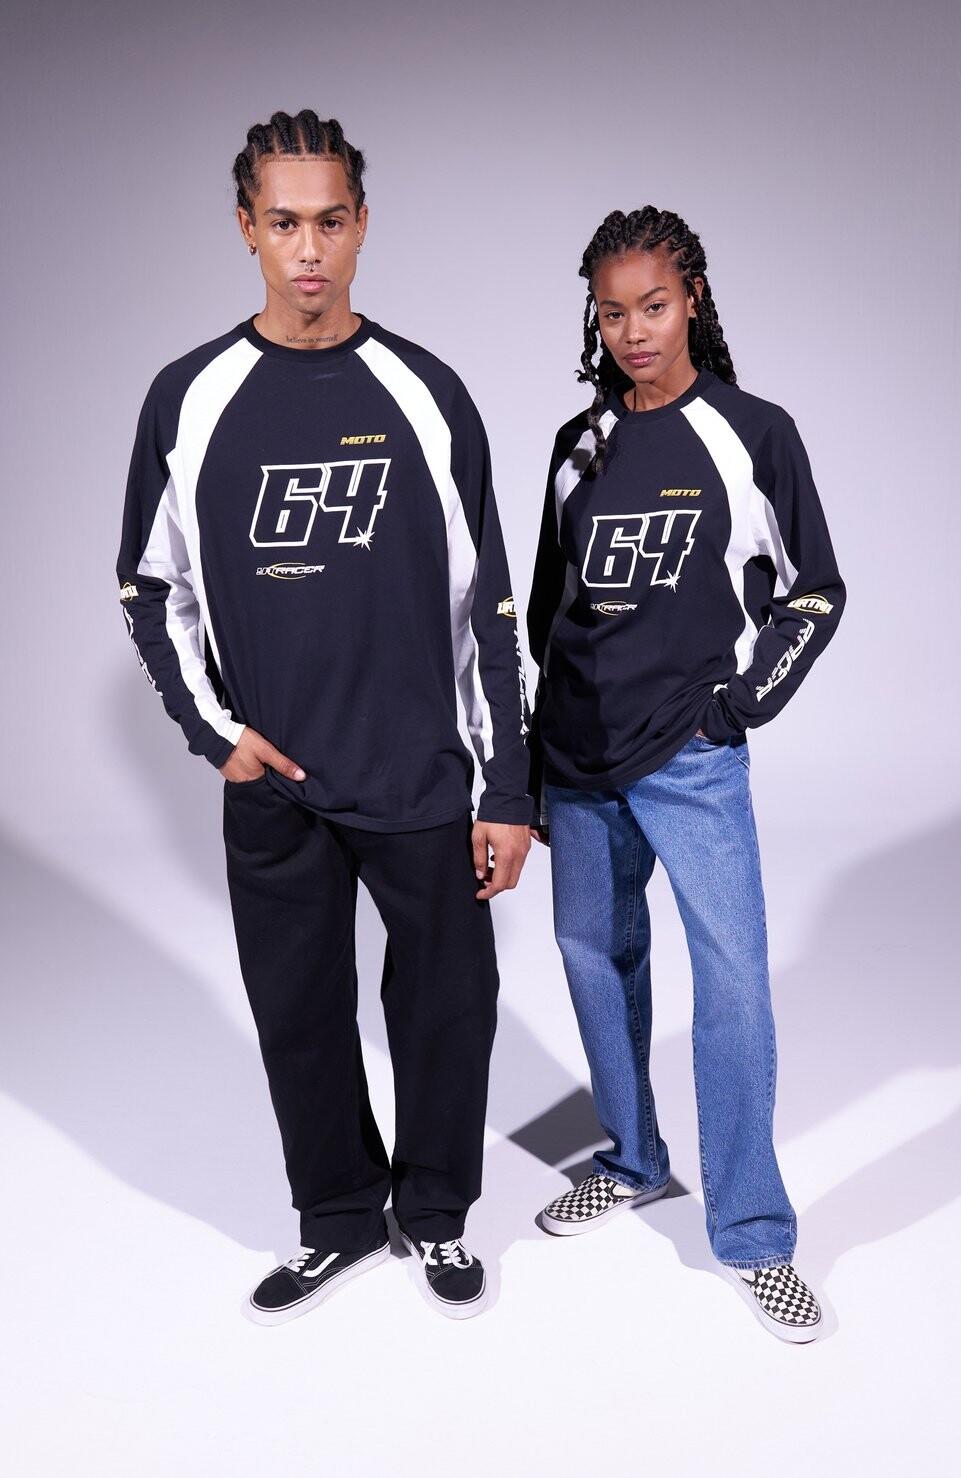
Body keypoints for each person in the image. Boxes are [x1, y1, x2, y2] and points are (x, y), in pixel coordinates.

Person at [116, 109, 532, 1324]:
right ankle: (339, 1215)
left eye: (331, 221)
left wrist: (508, 786)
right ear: (246, 227)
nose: (309, 248)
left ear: (362, 226)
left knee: (448, 1007)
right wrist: (216, 737)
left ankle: (438, 1211)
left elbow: (490, 605)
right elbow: (148, 586)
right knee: (297, 1016)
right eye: (285, 222)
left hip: (418, 772)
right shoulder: (189, 397)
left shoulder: (426, 392)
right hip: (277, 781)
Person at [526, 205, 846, 1343]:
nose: (633, 331)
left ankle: (754, 1233)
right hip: (579, 758)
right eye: (612, 312)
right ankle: (631, 1157)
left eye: (653, 306)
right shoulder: (578, 443)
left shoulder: (751, 432)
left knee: (735, 985)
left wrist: (741, 703)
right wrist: (537, 752)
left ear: (693, 298)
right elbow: (551, 610)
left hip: (691, 762)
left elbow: (815, 589)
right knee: (595, 958)